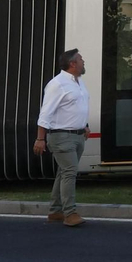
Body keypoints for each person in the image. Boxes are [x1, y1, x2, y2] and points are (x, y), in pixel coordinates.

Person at [35, 49, 91, 228]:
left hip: (78, 135)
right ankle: (70, 213)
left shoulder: (78, 82)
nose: (83, 62)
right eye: (81, 59)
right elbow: (46, 112)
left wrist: (85, 125)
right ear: (73, 64)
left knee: (63, 172)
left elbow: (78, 106)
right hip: (61, 136)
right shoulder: (57, 84)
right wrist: (40, 139)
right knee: (69, 173)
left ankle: (55, 210)